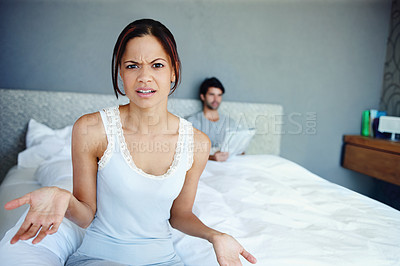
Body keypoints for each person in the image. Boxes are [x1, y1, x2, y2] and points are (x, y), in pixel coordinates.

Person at [3, 19, 257, 266]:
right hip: (100, 258)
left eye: (157, 65)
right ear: (120, 72)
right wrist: (62, 196)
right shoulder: (92, 129)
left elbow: (180, 216)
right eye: (133, 66)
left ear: (174, 70)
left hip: (165, 260)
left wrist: (216, 236)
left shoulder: (198, 143)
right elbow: (84, 214)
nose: (144, 77)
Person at [187, 77, 237, 162]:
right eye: (211, 94)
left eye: (219, 95)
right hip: (203, 167)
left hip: (228, 166)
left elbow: (239, 151)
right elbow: (186, 152)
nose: (215, 99)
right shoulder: (192, 122)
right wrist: (211, 158)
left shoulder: (230, 123)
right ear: (203, 96)